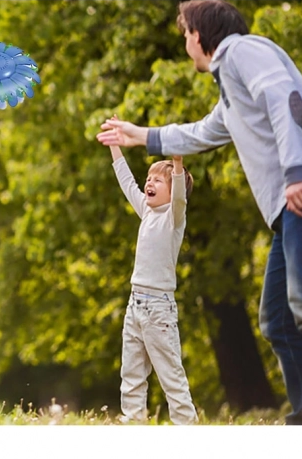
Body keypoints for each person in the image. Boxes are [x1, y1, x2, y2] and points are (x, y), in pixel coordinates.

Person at [97, 0, 302, 426]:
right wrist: (139, 135)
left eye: (185, 35)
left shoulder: (243, 51)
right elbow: (202, 132)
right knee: (276, 317)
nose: (185, 43)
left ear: (200, 36)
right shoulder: (232, 89)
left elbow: (285, 98)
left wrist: (296, 172)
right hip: (290, 208)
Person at [106, 119, 198, 425]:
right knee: (131, 374)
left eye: (159, 181)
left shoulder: (174, 217)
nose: (150, 183)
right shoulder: (146, 211)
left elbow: (180, 195)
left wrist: (176, 161)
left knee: (171, 375)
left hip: (159, 310)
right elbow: (126, 183)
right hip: (135, 306)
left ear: (173, 191)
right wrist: (116, 148)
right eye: (149, 178)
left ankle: (187, 428)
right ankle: (134, 424)